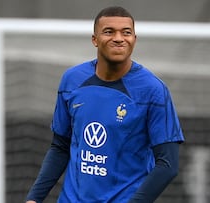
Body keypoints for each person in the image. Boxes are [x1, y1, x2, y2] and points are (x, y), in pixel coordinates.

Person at [25, 6, 184, 203]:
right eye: (109, 32)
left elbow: (168, 165)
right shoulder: (72, 80)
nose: (119, 38)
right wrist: (34, 198)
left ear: (135, 39)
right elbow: (60, 147)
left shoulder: (154, 90)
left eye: (126, 32)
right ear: (95, 39)